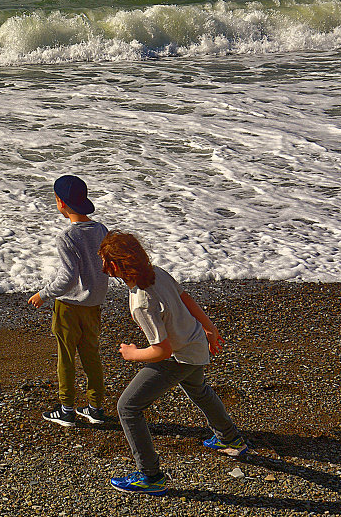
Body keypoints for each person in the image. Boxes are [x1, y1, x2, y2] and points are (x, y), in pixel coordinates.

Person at [98, 231, 248, 496]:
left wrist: (132, 353)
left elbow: (162, 350)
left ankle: (150, 475)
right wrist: (209, 329)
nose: (102, 267)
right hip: (196, 345)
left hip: (178, 356)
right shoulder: (157, 272)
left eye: (107, 262)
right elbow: (186, 298)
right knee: (199, 390)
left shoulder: (141, 302)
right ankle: (229, 437)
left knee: (128, 407)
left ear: (120, 265)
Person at [27, 175, 110, 427]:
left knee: (66, 357)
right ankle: (95, 408)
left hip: (69, 307)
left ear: (60, 203)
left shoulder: (66, 237)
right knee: (91, 356)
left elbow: (68, 278)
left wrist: (44, 294)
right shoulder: (101, 230)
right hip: (94, 304)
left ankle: (66, 409)